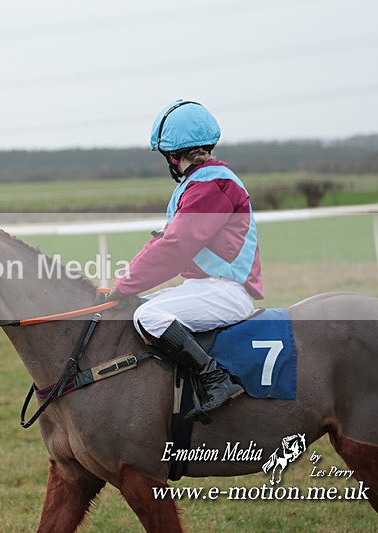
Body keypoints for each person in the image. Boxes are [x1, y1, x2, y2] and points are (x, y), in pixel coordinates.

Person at [107, 100, 264, 424]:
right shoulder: (200, 185)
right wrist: (122, 285)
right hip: (206, 287)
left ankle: (216, 380)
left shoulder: (211, 186)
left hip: (225, 292)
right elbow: (163, 241)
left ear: (173, 156)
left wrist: (123, 286)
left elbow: (175, 247)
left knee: (149, 316)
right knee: (138, 306)